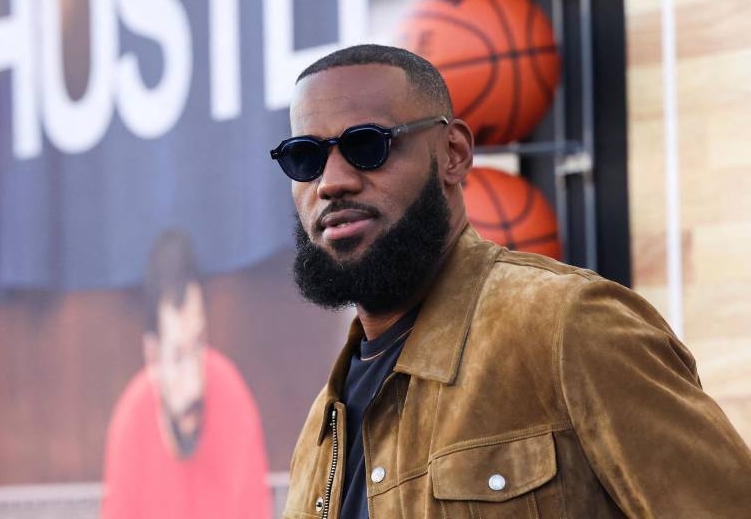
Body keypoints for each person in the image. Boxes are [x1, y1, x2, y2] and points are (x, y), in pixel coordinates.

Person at [272, 44, 751, 518]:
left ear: (454, 154)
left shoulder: (568, 324)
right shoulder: (318, 433)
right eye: (304, 158)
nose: (331, 181)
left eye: (366, 145)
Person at [101, 229, 271, 519]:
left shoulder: (231, 394)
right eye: (179, 356)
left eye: (198, 344)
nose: (195, 382)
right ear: (153, 356)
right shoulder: (131, 420)